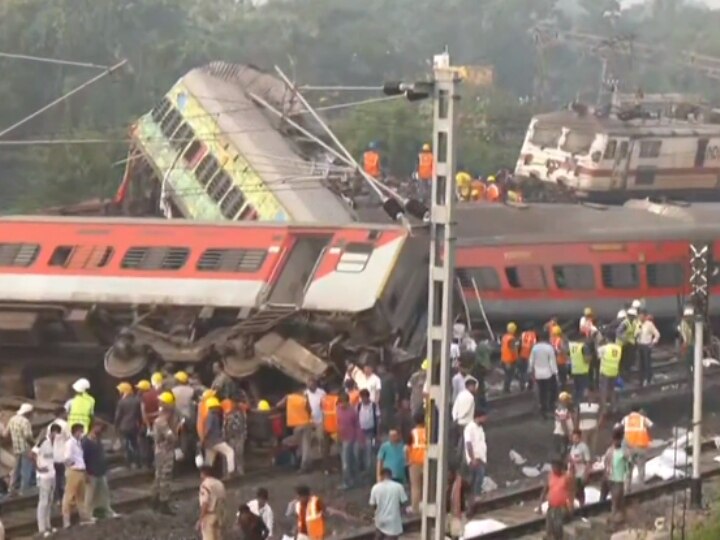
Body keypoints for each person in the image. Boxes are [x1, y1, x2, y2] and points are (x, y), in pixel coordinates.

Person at [82, 422, 119, 519]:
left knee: (104, 493)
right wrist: (85, 473)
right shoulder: (86, 442)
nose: (100, 430)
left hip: (101, 471)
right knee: (89, 495)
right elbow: (83, 459)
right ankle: (87, 515)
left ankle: (107, 511)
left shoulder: (98, 440)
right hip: (91, 472)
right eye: (99, 427)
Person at [62, 423, 94, 527]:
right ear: (76, 432)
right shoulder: (70, 443)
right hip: (74, 471)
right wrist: (71, 464)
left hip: (81, 471)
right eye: (80, 431)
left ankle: (84, 517)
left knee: (81, 496)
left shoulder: (78, 443)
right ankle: (66, 520)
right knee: (70, 497)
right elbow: (67, 457)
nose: (81, 433)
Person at [32, 423, 60, 537]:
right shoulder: (43, 441)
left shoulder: (55, 443)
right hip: (43, 476)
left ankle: (48, 525)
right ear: (52, 432)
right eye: (56, 433)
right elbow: (32, 453)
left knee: (49, 501)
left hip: (51, 474)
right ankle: (41, 528)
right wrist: (38, 467)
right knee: (43, 501)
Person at [152, 394, 178, 515]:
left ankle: (155, 501)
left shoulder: (160, 419)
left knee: (158, 476)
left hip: (159, 450)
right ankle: (163, 502)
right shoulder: (162, 422)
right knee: (165, 477)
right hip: (165, 451)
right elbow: (171, 437)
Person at [537, 460, 573, 540]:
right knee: (549, 527)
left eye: (555, 467)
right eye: (553, 467)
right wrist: (540, 505)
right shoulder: (550, 476)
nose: (554, 469)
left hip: (561, 507)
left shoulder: (566, 477)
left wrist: (570, 506)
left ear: (560, 467)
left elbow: (571, 492)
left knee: (558, 527)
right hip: (551, 507)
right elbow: (544, 490)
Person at [602, 431, 631, 526]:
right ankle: (621, 516)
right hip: (611, 478)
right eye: (614, 440)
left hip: (619, 479)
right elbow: (606, 462)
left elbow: (629, 464)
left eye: (617, 440)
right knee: (619, 499)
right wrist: (606, 474)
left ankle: (613, 520)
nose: (616, 442)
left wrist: (627, 476)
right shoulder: (609, 451)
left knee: (615, 499)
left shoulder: (624, 452)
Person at [369, 468, 408, 540]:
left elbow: (373, 504)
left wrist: (375, 515)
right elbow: (403, 502)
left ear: (381, 476)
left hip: (380, 518)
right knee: (392, 537)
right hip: (393, 519)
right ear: (391, 475)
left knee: (378, 535)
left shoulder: (375, 487)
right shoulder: (398, 486)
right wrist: (403, 512)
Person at [7, 403, 36, 495]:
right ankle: (24, 490)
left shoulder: (12, 419)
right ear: (28, 413)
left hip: (16, 447)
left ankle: (12, 488)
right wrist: (34, 444)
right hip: (25, 448)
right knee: (26, 469)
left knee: (16, 469)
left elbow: (6, 433)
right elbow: (27, 436)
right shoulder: (25, 422)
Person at [204, 397, 235, 477]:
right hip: (216, 440)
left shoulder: (210, 415)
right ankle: (230, 472)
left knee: (209, 460)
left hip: (209, 442)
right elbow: (209, 429)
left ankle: (206, 475)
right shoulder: (213, 415)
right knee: (230, 452)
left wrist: (204, 440)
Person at [622, 406, 653, 487]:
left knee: (628, 470)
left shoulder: (626, 419)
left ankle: (627, 488)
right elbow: (651, 426)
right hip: (641, 446)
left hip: (629, 448)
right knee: (641, 469)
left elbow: (621, 428)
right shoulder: (643, 418)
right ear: (639, 410)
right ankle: (641, 487)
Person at [529, 336, 559, 419]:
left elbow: (531, 361)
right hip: (548, 373)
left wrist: (531, 371)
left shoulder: (534, 348)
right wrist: (555, 372)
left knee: (542, 392)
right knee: (551, 391)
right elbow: (552, 361)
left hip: (538, 374)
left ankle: (543, 410)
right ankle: (550, 407)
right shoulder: (549, 348)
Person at [114, 381, 141, 469]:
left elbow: (118, 416)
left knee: (126, 445)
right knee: (135, 444)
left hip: (124, 426)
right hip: (134, 426)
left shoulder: (121, 402)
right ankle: (138, 463)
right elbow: (139, 414)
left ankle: (129, 463)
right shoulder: (136, 400)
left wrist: (116, 426)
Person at [336, 392, 360, 490]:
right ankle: (352, 480)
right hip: (341, 438)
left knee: (346, 462)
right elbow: (338, 423)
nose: (342, 404)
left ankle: (347, 482)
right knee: (347, 460)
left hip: (350, 438)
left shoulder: (353, 411)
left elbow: (357, 425)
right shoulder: (338, 409)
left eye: (343, 402)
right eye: (340, 402)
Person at [452, 377, 478, 461]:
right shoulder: (470, 397)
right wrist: (460, 416)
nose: (474, 388)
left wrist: (455, 418)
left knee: (461, 441)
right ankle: (462, 460)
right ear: (469, 386)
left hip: (458, 422)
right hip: (466, 423)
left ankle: (459, 458)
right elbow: (466, 410)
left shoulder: (460, 394)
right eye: (473, 386)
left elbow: (455, 407)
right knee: (465, 443)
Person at [357, 389, 380, 483]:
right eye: (361, 398)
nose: (363, 400)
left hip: (370, 431)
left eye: (364, 398)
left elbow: (378, 419)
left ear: (368, 397)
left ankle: (369, 474)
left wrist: (377, 433)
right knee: (360, 452)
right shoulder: (358, 406)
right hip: (361, 432)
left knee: (369, 453)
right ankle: (363, 471)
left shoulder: (374, 406)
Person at [464, 409, 487, 500]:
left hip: (481, 457)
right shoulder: (470, 428)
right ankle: (475, 495)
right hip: (474, 457)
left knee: (477, 477)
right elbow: (468, 444)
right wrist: (472, 458)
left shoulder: (480, 428)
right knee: (478, 476)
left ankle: (473, 496)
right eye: (484, 418)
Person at [197, 465, 226, 540]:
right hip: (219, 515)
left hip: (209, 516)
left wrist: (200, 519)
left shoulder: (205, 485)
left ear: (203, 473)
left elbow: (205, 503)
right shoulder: (220, 483)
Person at [49, 406, 70, 502]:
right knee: (64, 477)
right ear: (62, 413)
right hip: (63, 454)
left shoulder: (50, 426)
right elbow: (69, 439)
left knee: (56, 477)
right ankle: (65, 497)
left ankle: (58, 498)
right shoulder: (65, 425)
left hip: (54, 455)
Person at [598, 338, 622, 417]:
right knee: (612, 389)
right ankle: (614, 407)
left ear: (607, 339)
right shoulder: (619, 348)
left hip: (605, 371)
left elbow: (598, 356)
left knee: (603, 390)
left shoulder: (604, 348)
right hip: (614, 371)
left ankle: (604, 409)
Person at [304, 379, 328, 462]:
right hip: (309, 421)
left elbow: (326, 405)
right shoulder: (305, 394)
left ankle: (324, 459)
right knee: (307, 441)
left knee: (321, 439)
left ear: (316, 384)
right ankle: (308, 461)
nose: (311, 386)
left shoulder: (322, 393)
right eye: (309, 385)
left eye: (312, 384)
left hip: (320, 420)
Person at [407, 413, 426, 513]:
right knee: (426, 486)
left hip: (414, 462)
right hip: (427, 462)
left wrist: (408, 460)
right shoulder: (429, 432)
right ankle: (425, 506)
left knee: (415, 487)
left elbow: (407, 448)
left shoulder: (413, 433)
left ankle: (415, 508)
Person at [138, 378, 158, 469]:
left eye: (140, 388)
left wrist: (147, 426)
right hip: (157, 421)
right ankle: (155, 461)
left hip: (148, 423)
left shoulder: (143, 397)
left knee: (144, 443)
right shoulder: (157, 393)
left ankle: (147, 462)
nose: (138, 390)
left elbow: (143, 413)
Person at [636, 311, 660, 386]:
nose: (640, 317)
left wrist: (653, 342)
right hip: (639, 345)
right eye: (639, 316)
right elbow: (635, 334)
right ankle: (641, 379)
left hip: (647, 346)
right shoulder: (637, 324)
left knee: (647, 363)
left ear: (645, 316)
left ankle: (648, 379)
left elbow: (657, 334)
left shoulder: (649, 324)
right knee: (640, 364)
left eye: (642, 316)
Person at [223, 399, 247, 475]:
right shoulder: (227, 414)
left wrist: (244, 435)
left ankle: (239, 472)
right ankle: (230, 472)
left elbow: (244, 425)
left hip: (238, 436)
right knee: (232, 455)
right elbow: (225, 426)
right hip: (232, 437)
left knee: (238, 454)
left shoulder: (241, 414)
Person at [567, 429, 590, 507]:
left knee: (580, 491)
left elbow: (588, 462)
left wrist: (586, 474)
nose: (574, 440)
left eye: (576, 438)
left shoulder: (584, 447)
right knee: (575, 490)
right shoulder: (572, 448)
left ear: (580, 438)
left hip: (581, 472)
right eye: (573, 438)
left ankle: (582, 505)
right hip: (574, 473)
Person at [446, 468, 469, 539]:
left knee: (455, 533)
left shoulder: (459, 483)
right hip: (450, 512)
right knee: (449, 532)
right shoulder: (449, 485)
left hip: (457, 512)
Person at [377, 364, 398, 434]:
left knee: (388, 416)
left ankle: (389, 430)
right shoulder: (377, 378)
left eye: (380, 368)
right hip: (380, 401)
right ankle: (383, 430)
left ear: (384, 368)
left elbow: (395, 390)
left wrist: (396, 401)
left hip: (389, 401)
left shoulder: (390, 377)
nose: (379, 369)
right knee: (381, 416)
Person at [553, 392, 574, 459]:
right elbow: (563, 423)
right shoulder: (562, 410)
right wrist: (568, 434)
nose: (569, 402)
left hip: (562, 433)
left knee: (564, 450)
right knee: (564, 451)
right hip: (563, 434)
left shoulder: (563, 409)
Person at [501, 322, 520, 393]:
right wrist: (517, 345)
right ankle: (506, 390)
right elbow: (513, 349)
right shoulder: (511, 338)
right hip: (509, 361)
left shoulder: (505, 336)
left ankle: (506, 389)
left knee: (508, 375)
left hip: (504, 359)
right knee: (509, 376)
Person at [550, 326, 570, 390]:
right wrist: (567, 357)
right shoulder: (560, 340)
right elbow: (563, 349)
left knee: (556, 376)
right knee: (563, 377)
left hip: (554, 361)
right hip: (561, 361)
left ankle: (555, 389)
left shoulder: (551, 340)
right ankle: (563, 390)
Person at [519, 327, 538, 391]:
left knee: (523, 371)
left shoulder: (523, 334)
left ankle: (522, 386)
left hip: (522, 354)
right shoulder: (533, 334)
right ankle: (530, 385)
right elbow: (534, 345)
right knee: (530, 371)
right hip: (529, 355)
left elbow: (520, 344)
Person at [679, 306, 695, 375]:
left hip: (694, 344)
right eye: (686, 316)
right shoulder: (683, 324)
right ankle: (689, 372)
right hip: (688, 344)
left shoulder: (694, 323)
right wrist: (685, 342)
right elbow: (683, 334)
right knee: (688, 359)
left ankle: (693, 371)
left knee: (693, 359)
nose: (687, 318)